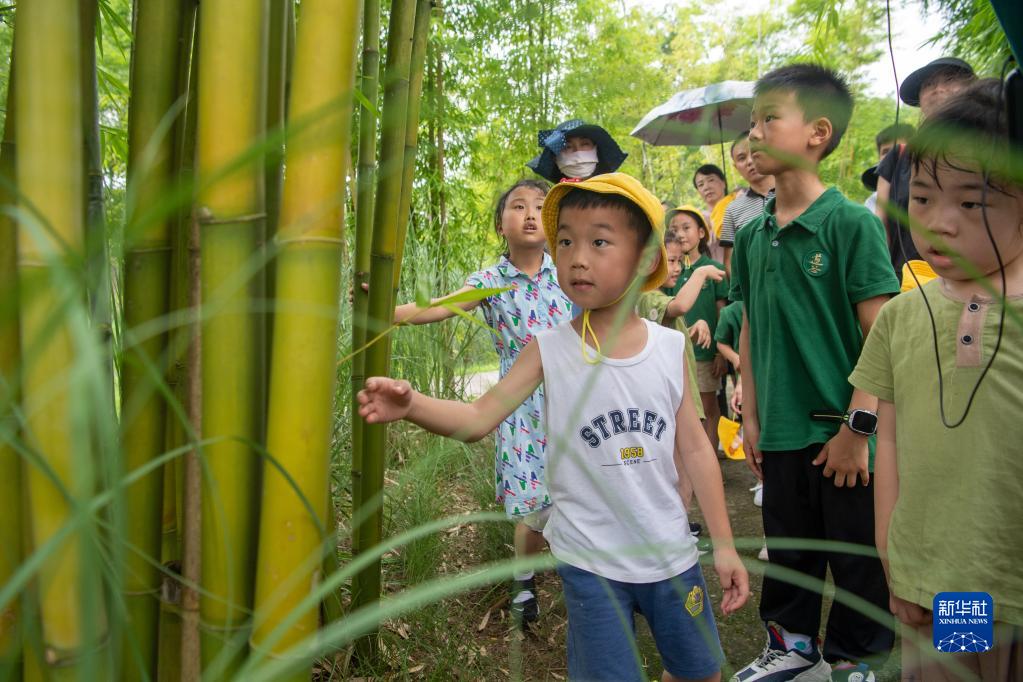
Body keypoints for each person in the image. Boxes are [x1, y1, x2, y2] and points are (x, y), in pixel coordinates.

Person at [360, 173, 750, 682]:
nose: (576, 256)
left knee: (700, 672)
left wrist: (722, 544)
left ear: (647, 259)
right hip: (590, 564)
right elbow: (478, 419)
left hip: (671, 555)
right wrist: (412, 405)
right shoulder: (547, 348)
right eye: (565, 240)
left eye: (599, 241)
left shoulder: (668, 349)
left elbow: (697, 451)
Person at [729, 63, 900, 682]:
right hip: (779, 429)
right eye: (752, 122)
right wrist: (749, 412)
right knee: (791, 548)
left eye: (769, 117)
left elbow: (880, 335)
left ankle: (856, 659)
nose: (754, 133)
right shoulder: (751, 237)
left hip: (844, 431)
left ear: (817, 133)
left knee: (857, 558)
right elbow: (748, 329)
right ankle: (792, 645)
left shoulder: (851, 224)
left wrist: (860, 428)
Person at [850, 79, 1023, 681]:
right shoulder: (902, 315)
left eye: (972, 203)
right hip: (953, 588)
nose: (939, 222)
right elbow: (888, 441)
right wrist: (895, 559)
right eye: (921, 198)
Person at [391, 178, 572, 626]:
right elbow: (439, 306)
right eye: (518, 206)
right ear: (500, 224)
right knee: (533, 500)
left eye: (540, 206)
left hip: (574, 393)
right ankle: (525, 580)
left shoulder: (567, 268)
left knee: (580, 485)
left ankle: (586, 572)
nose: (530, 213)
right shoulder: (490, 280)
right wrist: (385, 314)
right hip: (518, 401)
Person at [638, 229, 725, 533]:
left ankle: (679, 526)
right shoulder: (650, 297)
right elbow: (680, 308)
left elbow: (666, 336)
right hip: (669, 401)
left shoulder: (658, 299)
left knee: (680, 469)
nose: (676, 268)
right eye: (670, 261)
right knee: (679, 471)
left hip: (677, 398)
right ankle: (676, 531)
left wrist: (696, 326)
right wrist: (700, 272)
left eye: (680, 261)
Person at [876, 57, 975, 284]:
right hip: (906, 279)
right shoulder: (898, 157)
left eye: (949, 80)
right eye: (929, 85)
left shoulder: (995, 146)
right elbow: (880, 220)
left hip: (977, 277)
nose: (938, 89)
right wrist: (880, 275)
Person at [666, 206, 729, 455]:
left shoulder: (712, 268)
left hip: (705, 355)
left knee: (708, 408)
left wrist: (721, 352)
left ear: (702, 233)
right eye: (674, 229)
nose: (680, 234)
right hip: (677, 354)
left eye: (686, 227)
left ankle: (710, 461)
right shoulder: (670, 271)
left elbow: (722, 312)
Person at [719, 133, 776, 278]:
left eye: (755, 152)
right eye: (742, 158)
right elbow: (730, 261)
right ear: (736, 167)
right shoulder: (733, 209)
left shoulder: (794, 193)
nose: (750, 161)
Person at [526, 118, 628, 183]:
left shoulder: (616, 194)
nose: (578, 152)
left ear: (596, 150)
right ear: (554, 158)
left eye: (585, 144)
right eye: (568, 147)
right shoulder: (549, 203)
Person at [861, 123, 914, 215]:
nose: (891, 156)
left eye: (898, 149)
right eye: (886, 152)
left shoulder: (925, 195)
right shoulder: (872, 202)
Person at [692, 163, 734, 263]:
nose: (706, 187)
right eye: (701, 185)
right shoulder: (697, 218)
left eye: (711, 180)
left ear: (723, 183)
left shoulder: (738, 207)